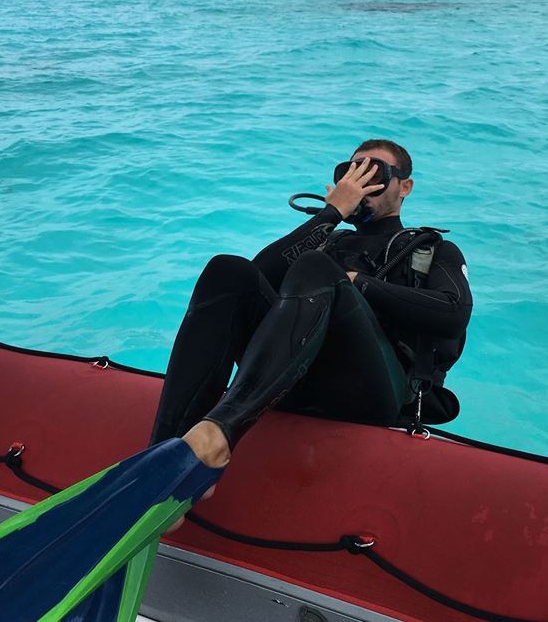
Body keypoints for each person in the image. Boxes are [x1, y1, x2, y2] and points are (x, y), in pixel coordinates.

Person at [153, 139, 473, 477]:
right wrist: (331, 214)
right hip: (293, 380)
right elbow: (254, 277)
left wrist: (357, 282)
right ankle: (163, 455)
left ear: (404, 186)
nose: (360, 181)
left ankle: (220, 433)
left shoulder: (432, 250)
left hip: (372, 393)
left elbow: (453, 313)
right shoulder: (326, 241)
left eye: (375, 173)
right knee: (227, 269)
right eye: (350, 172)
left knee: (315, 267)